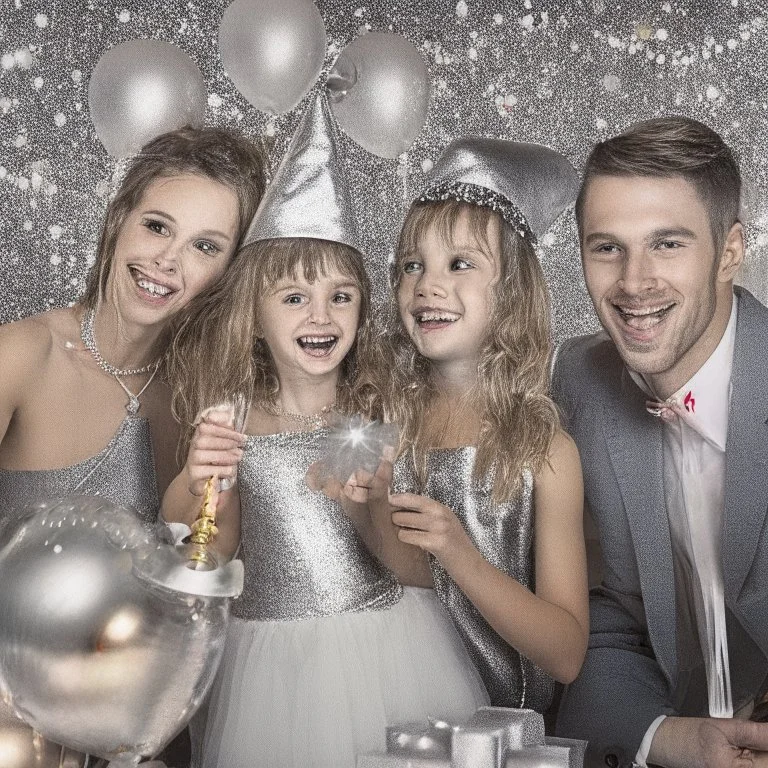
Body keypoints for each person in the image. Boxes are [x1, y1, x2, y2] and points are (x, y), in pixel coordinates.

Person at [162, 93, 487, 768]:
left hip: (384, 646)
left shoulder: (373, 418)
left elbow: (414, 573)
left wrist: (369, 507)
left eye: (340, 295)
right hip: (268, 667)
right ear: (254, 314)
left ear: (362, 308)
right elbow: (205, 549)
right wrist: (194, 481)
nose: (321, 314)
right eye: (294, 297)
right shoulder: (233, 419)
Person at [0, 124, 265, 768]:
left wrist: (208, 491)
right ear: (119, 220)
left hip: (131, 727)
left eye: (205, 245)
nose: (168, 260)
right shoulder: (24, 354)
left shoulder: (199, 394)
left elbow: (200, 571)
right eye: (157, 227)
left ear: (226, 272)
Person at [553, 116, 768, 768]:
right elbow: (604, 624)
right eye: (607, 247)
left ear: (730, 250)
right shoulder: (574, 385)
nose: (633, 282)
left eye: (667, 244)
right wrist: (662, 738)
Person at [377, 138, 589, 714]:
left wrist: (460, 556)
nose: (427, 284)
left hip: (503, 739)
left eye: (460, 263)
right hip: (389, 723)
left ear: (512, 291)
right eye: (411, 265)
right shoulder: (382, 429)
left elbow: (566, 654)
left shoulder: (543, 451)